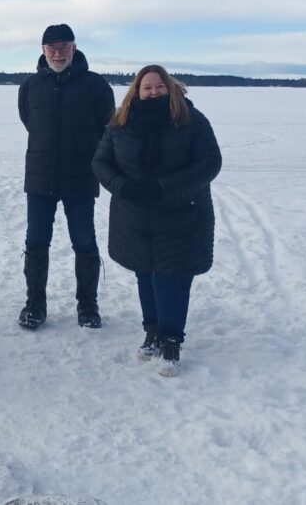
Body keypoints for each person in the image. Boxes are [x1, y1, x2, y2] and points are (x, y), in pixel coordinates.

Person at [92, 65, 222, 376]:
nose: (153, 92)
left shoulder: (191, 120)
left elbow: (209, 163)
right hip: (134, 215)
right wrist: (123, 187)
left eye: (159, 87)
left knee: (172, 278)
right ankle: (152, 331)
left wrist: (164, 188)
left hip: (181, 215)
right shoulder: (120, 122)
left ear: (171, 88)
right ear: (136, 91)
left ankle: (171, 340)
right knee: (145, 275)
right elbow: (101, 162)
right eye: (147, 87)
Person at [17, 23, 115, 330]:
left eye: (64, 47)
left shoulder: (96, 85)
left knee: (84, 241)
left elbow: (107, 129)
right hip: (40, 176)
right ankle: (35, 305)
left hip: (81, 177)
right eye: (52, 48)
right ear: (43, 51)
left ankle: (88, 306)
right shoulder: (30, 86)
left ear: (74, 48)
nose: (58, 54)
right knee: (36, 240)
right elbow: (29, 121)